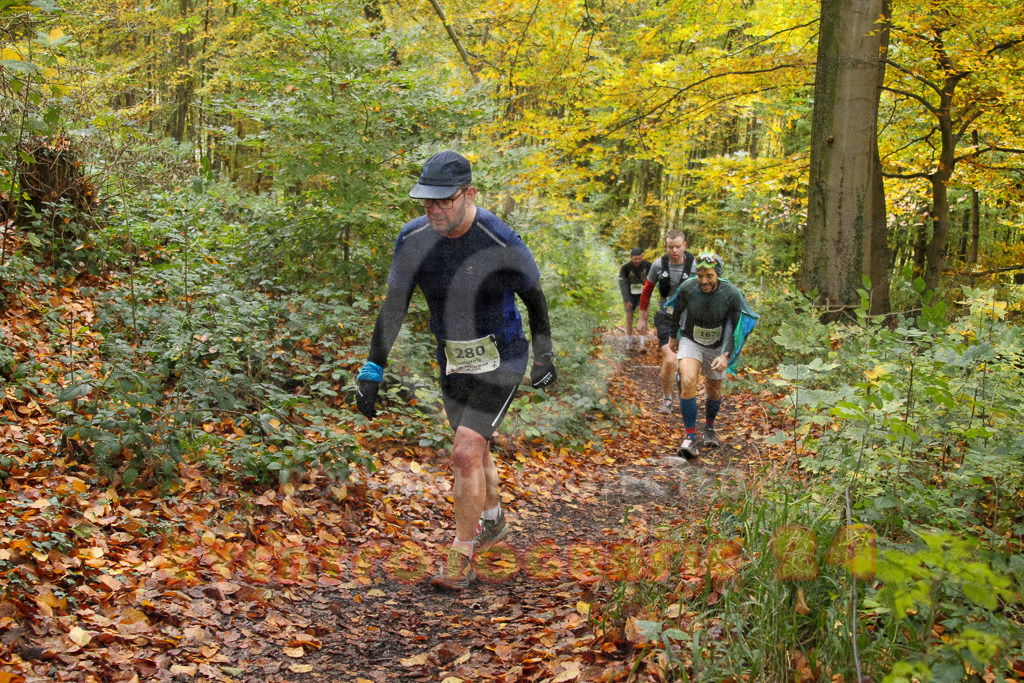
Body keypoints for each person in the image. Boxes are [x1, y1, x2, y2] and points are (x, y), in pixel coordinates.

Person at [354, 151, 557, 591]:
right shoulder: (413, 240)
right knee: (477, 449)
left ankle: (460, 557)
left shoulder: (499, 240)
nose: (434, 210)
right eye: (426, 202)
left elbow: (535, 297)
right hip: (454, 358)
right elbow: (395, 305)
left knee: (464, 451)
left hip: (503, 355)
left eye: (444, 201)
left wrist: (543, 355)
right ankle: (493, 521)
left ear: (470, 194)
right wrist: (374, 367)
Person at [666, 252, 748, 460]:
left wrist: (726, 356)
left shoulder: (731, 293)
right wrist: (673, 337)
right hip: (691, 340)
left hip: (718, 345)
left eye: (709, 275)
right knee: (688, 380)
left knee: (713, 390)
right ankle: (690, 438)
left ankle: (709, 427)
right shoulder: (688, 288)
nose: (704, 280)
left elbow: (736, 328)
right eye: (700, 275)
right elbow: (677, 312)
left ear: (717, 275)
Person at [636, 230, 696, 413]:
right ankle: (667, 399)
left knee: (686, 365)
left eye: (678, 247)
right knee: (670, 360)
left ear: (684, 246)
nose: (674, 251)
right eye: (671, 247)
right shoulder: (658, 265)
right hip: (665, 317)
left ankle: (678, 378)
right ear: (665, 247)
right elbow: (646, 291)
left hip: (688, 320)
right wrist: (641, 319)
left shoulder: (694, 266)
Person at [618, 248, 650, 351]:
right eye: (635, 259)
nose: (637, 261)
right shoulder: (625, 268)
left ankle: (642, 342)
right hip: (629, 295)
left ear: (642, 257)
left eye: (639, 258)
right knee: (629, 318)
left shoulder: (648, 266)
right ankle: (629, 341)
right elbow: (622, 284)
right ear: (631, 257)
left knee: (644, 317)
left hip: (643, 295)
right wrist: (626, 299)